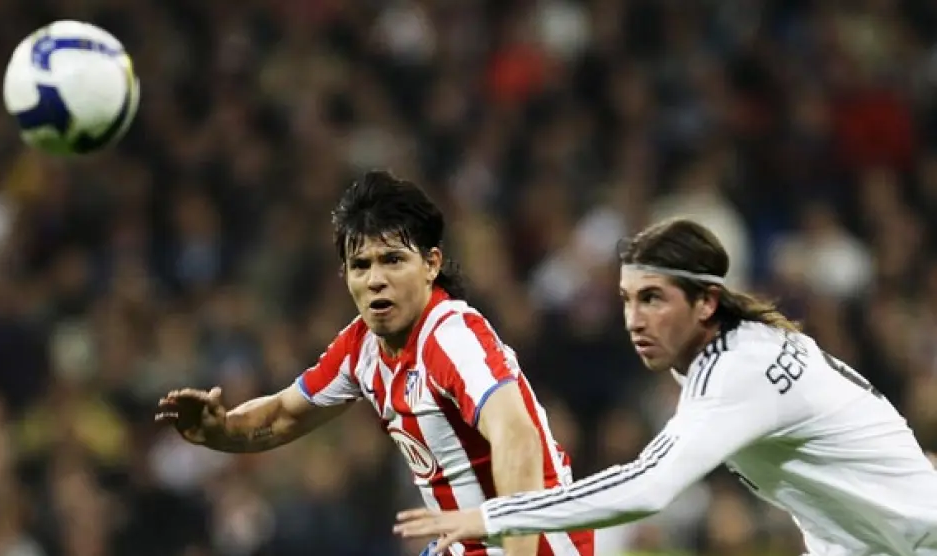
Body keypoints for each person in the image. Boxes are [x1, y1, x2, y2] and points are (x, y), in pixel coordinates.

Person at [393, 218, 937, 556]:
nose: (634, 320)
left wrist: (490, 517)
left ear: (705, 302)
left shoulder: (739, 370)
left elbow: (647, 486)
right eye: (627, 299)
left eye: (653, 299)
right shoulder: (738, 351)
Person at [155, 171, 594, 556]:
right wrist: (220, 430)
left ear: (431, 264)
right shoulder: (361, 348)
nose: (376, 279)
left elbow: (517, 435)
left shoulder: (450, 336)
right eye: (360, 265)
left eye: (393, 260)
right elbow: (284, 414)